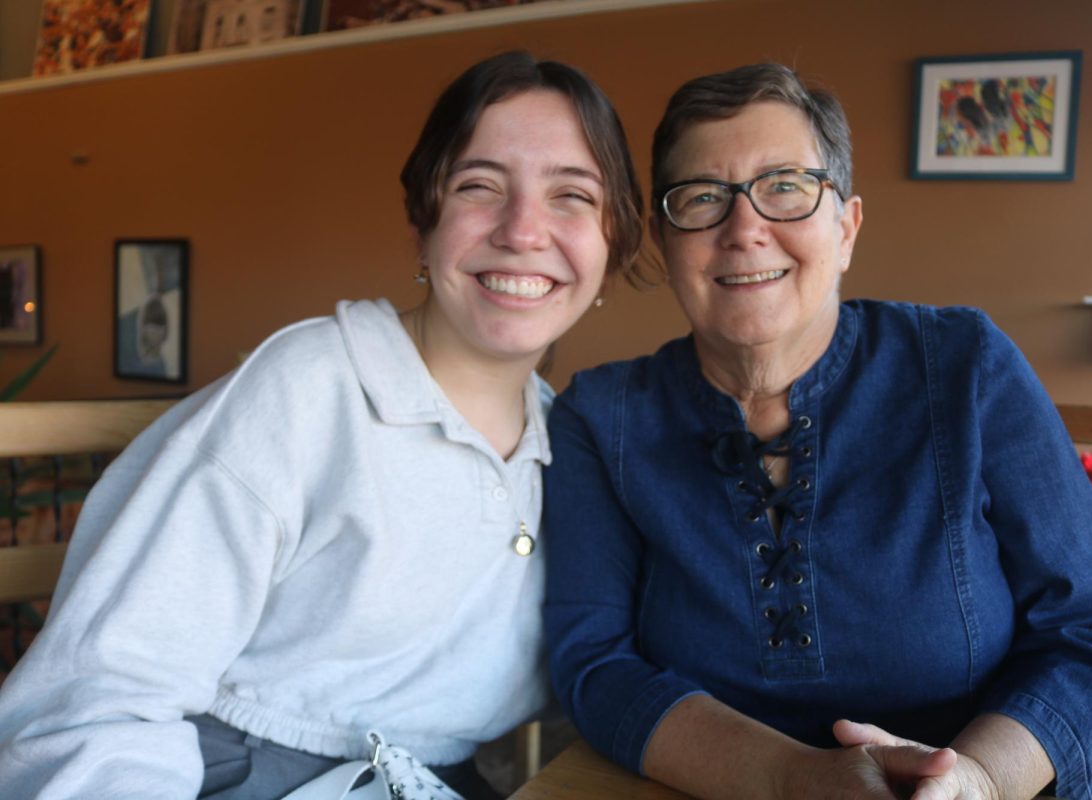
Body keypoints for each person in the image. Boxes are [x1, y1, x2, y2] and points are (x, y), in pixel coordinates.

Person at [0, 50, 642, 799]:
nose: (524, 230)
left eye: (572, 196)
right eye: (479, 186)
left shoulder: (571, 447)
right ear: (422, 220)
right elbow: (98, 699)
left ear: (613, 240)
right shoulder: (304, 393)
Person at [543, 63, 1092, 800]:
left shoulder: (964, 366)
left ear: (846, 228)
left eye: (786, 188)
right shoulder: (601, 417)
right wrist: (787, 776)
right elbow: (596, 664)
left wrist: (981, 780)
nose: (744, 229)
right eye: (702, 198)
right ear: (664, 241)